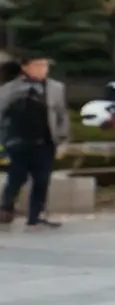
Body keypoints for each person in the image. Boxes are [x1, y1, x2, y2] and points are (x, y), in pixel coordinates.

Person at [0, 53, 67, 229]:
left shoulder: (55, 88)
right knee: (17, 176)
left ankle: (35, 215)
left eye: (45, 65)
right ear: (25, 67)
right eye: (38, 65)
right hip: (18, 140)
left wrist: (62, 137)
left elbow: (61, 114)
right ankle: (5, 207)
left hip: (45, 140)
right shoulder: (10, 88)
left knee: (42, 179)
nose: (43, 69)